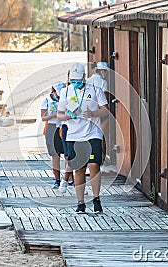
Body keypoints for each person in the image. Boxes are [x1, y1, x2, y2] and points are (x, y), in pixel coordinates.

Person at [57, 63, 108, 213]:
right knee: (79, 169)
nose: (76, 83)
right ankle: (80, 203)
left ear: (84, 77)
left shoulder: (95, 89)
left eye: (78, 80)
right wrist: (67, 116)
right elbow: (59, 114)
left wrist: (93, 114)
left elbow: (105, 110)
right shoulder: (65, 92)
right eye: (73, 80)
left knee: (94, 165)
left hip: (93, 132)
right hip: (74, 134)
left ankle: (96, 199)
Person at [41, 81, 66, 189]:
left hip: (64, 126)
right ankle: (57, 179)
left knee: (67, 154)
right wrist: (54, 115)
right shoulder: (46, 100)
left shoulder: (66, 99)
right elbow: (43, 117)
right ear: (54, 91)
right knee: (55, 155)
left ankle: (69, 179)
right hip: (51, 128)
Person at [86, 61, 109, 164]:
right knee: (99, 136)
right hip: (100, 112)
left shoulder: (87, 81)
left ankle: (89, 157)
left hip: (88, 111)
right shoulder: (103, 82)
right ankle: (98, 158)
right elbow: (104, 98)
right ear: (102, 71)